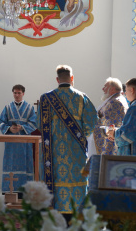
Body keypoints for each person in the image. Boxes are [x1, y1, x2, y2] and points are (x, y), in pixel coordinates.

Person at [37, 65, 97, 219]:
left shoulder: (45, 99)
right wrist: (79, 138)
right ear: (72, 78)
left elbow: (39, 125)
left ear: (57, 79)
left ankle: (55, 213)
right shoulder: (82, 97)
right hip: (76, 153)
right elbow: (91, 123)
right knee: (77, 178)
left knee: (56, 178)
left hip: (54, 154)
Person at [0, 84, 37, 195]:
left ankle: (24, 192)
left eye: (19, 93)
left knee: (26, 164)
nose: (17, 95)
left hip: (25, 143)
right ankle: (9, 190)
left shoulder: (29, 108)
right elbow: (0, 121)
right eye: (15, 93)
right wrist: (9, 128)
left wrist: (22, 127)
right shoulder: (8, 108)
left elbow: (34, 123)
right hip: (11, 143)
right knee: (10, 164)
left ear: (23, 93)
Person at [107, 78, 136, 156]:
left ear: (132, 90)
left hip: (135, 154)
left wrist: (114, 133)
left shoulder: (135, 108)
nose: (125, 93)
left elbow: (128, 135)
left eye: (126, 90)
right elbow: (135, 129)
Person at [92, 78, 128, 155]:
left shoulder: (114, 102)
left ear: (112, 89)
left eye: (105, 86)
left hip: (110, 146)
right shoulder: (116, 99)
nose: (102, 89)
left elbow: (111, 125)